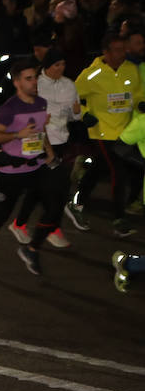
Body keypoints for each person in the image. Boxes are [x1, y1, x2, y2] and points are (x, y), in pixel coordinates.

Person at [0, 58, 60, 278]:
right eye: (28, 79)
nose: (34, 82)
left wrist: (49, 153)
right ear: (17, 82)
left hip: (35, 167)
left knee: (54, 208)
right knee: (1, 214)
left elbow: (40, 130)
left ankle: (31, 249)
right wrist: (18, 135)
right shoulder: (9, 108)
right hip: (11, 171)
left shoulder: (40, 102)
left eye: (35, 77)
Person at [66, 34, 139, 238]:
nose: (122, 53)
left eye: (123, 49)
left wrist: (141, 102)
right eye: (116, 50)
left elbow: (138, 92)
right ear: (105, 52)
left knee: (97, 170)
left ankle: (76, 202)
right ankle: (118, 218)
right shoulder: (91, 74)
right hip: (103, 132)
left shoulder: (131, 69)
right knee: (118, 172)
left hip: (126, 131)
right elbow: (71, 99)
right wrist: (85, 114)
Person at [12, 49, 79, 249]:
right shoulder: (37, 84)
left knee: (41, 189)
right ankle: (50, 229)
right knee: (54, 189)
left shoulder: (69, 84)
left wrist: (77, 113)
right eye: (57, 64)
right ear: (47, 66)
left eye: (63, 64)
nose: (61, 68)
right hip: (41, 143)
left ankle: (21, 223)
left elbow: (74, 115)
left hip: (62, 141)